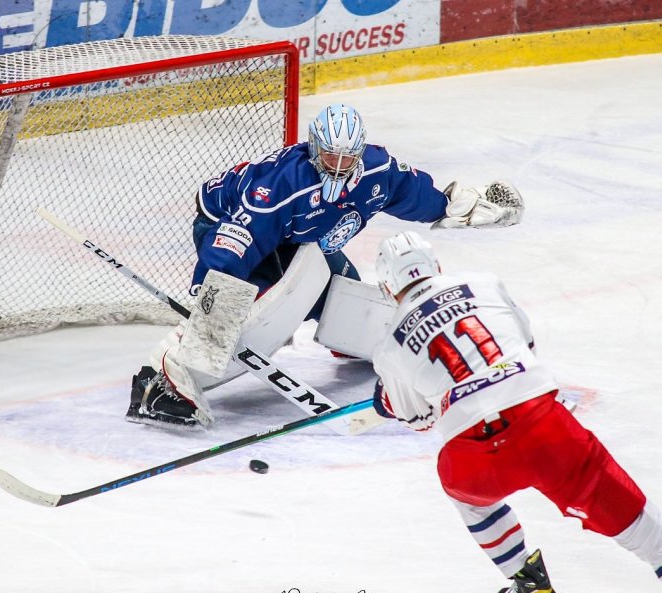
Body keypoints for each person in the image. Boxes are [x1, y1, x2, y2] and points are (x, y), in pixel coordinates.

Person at [370, 231, 662, 593]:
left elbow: (419, 420)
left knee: (466, 496)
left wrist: (392, 400)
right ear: (436, 265)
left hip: (473, 454)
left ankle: (531, 588)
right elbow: (527, 347)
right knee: (647, 531)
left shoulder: (388, 347)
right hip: (545, 429)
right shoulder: (484, 283)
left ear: (388, 287)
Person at [126, 104, 525, 429]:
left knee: (347, 300)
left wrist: (459, 207)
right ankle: (162, 380)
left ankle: (347, 340)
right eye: (331, 156)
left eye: (348, 157)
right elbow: (235, 242)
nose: (339, 166)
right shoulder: (280, 185)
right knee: (248, 306)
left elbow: (414, 193)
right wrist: (214, 294)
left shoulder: (377, 170)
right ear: (315, 148)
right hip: (225, 228)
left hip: (299, 241)